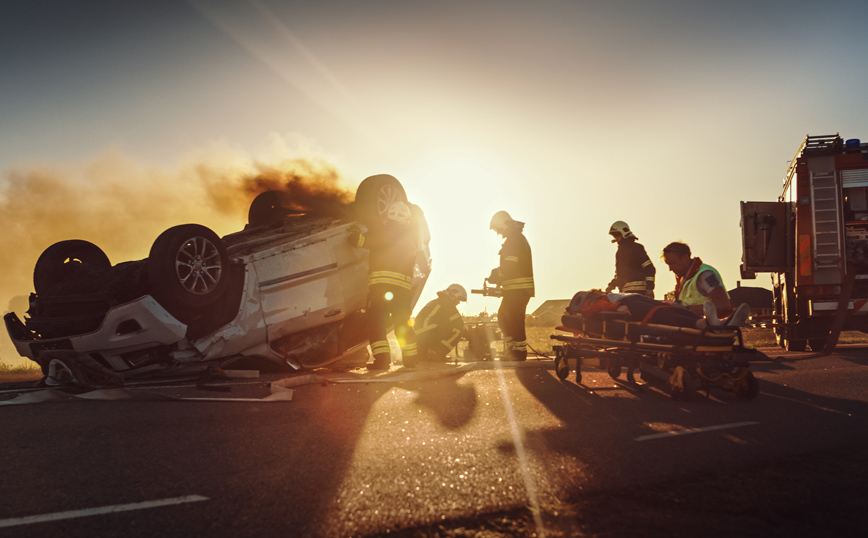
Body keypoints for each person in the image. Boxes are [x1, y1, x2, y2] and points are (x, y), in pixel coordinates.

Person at [348, 201, 418, 370]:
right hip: (402, 292)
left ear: (388, 216)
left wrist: (353, 232)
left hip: (382, 289)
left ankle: (382, 361)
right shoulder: (410, 240)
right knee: (403, 324)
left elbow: (358, 241)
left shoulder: (384, 232)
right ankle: (411, 360)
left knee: (377, 323)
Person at [569, 290, 750, 329]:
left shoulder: (603, 294)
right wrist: (618, 306)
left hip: (636, 298)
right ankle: (705, 324)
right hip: (631, 304)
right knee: (663, 314)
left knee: (673, 308)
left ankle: (719, 322)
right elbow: (599, 307)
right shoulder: (593, 301)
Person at [488, 210, 534, 361]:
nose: (498, 232)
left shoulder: (515, 239)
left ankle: (519, 352)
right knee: (504, 318)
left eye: (498, 229)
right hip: (514, 289)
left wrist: (496, 274)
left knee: (514, 320)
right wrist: (499, 277)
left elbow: (510, 266)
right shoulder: (515, 238)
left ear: (504, 224)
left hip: (518, 290)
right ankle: (511, 350)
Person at [662, 241, 734, 319]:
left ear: (685, 258)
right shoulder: (685, 279)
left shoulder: (705, 275)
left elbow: (723, 304)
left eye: (673, 263)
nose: (670, 268)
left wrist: (687, 310)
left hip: (709, 327)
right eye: (668, 264)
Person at [412, 284, 468, 365]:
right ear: (453, 295)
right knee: (458, 331)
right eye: (459, 299)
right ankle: (436, 353)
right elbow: (459, 324)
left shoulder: (435, 302)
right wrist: (470, 335)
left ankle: (428, 352)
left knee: (448, 326)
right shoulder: (448, 305)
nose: (458, 303)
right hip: (429, 336)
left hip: (418, 338)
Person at [606, 221, 656, 298]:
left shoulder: (637, 248)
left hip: (640, 294)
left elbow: (650, 268)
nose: (616, 239)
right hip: (626, 294)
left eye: (617, 235)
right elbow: (621, 274)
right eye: (614, 236)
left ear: (624, 233)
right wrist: (611, 286)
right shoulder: (620, 252)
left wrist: (649, 289)